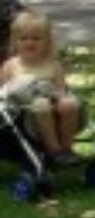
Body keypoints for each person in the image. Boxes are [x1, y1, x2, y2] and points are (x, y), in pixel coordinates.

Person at [1, 9, 81, 163]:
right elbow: (4, 94)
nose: (30, 42)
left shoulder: (53, 65)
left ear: (47, 42)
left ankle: (67, 148)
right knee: (41, 104)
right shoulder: (10, 66)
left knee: (69, 104)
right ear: (15, 41)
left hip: (53, 102)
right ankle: (54, 150)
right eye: (23, 39)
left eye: (36, 38)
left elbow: (61, 90)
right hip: (23, 113)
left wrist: (61, 99)